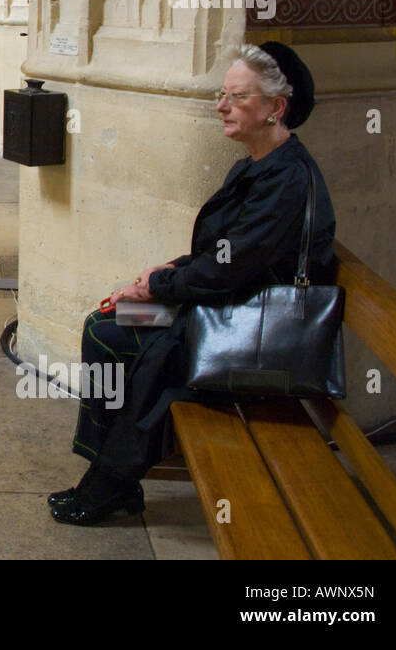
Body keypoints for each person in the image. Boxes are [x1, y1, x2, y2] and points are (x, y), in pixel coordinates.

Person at [50, 42, 336, 525]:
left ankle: (109, 482)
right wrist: (164, 272)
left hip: (250, 329)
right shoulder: (257, 163)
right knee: (105, 325)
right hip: (223, 302)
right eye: (222, 93)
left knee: (156, 358)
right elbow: (223, 253)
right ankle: (113, 475)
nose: (220, 105)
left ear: (275, 108)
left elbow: (230, 268)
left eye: (236, 97)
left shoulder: (286, 181)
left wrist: (161, 286)